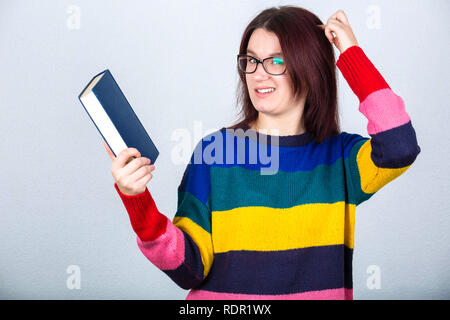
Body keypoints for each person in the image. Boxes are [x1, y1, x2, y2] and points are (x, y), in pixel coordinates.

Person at [104, 6, 420, 300]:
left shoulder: (341, 159)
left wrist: (351, 53)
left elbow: (399, 144)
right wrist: (137, 200)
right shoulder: (216, 153)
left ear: (309, 68)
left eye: (277, 61)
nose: (258, 74)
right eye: (251, 60)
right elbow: (188, 269)